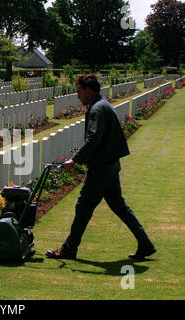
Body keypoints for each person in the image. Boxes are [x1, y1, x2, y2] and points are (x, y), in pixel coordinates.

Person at [46, 74, 156, 260]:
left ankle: (69, 249)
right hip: (111, 164)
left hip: (101, 166)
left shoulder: (97, 109)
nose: (78, 96)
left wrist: (76, 159)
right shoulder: (102, 105)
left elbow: (93, 137)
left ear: (89, 89)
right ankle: (145, 243)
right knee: (119, 206)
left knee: (84, 206)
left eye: (80, 91)